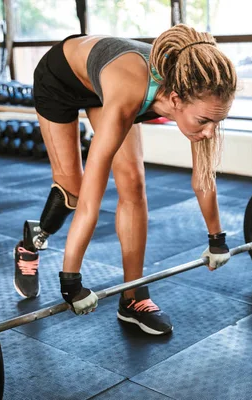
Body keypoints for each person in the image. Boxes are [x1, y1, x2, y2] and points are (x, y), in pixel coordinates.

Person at [12, 24, 237, 336]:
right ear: (174, 100)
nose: (210, 130)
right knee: (75, 191)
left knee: (133, 182)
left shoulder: (198, 97)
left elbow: (203, 180)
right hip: (60, 79)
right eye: (204, 121)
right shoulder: (131, 91)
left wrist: (217, 240)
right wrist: (71, 281)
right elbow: (93, 198)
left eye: (218, 121)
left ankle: (133, 296)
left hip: (103, 81)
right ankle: (32, 240)